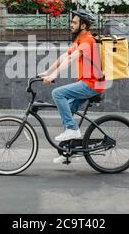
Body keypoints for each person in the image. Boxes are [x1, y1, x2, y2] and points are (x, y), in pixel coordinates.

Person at [39, 9, 106, 163]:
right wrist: (47, 71)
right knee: (67, 109)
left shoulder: (88, 40)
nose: (71, 25)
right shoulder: (80, 40)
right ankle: (70, 150)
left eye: (74, 22)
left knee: (58, 93)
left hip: (92, 84)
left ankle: (73, 130)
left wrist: (54, 76)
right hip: (87, 82)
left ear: (83, 25)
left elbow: (72, 59)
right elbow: (65, 56)